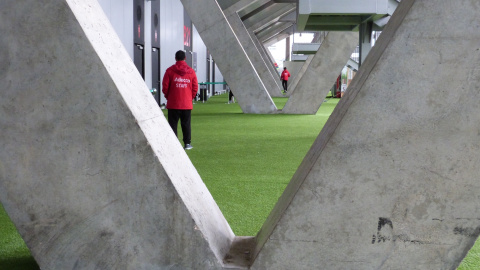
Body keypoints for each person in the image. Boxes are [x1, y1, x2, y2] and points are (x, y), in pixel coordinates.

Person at [162, 50, 198, 150]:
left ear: (175, 58)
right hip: (186, 104)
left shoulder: (169, 71)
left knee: (172, 124)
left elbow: (165, 87)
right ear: (185, 58)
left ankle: (174, 144)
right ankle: (187, 144)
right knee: (186, 124)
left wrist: (169, 97)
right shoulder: (191, 71)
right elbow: (195, 87)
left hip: (173, 103)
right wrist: (189, 98)